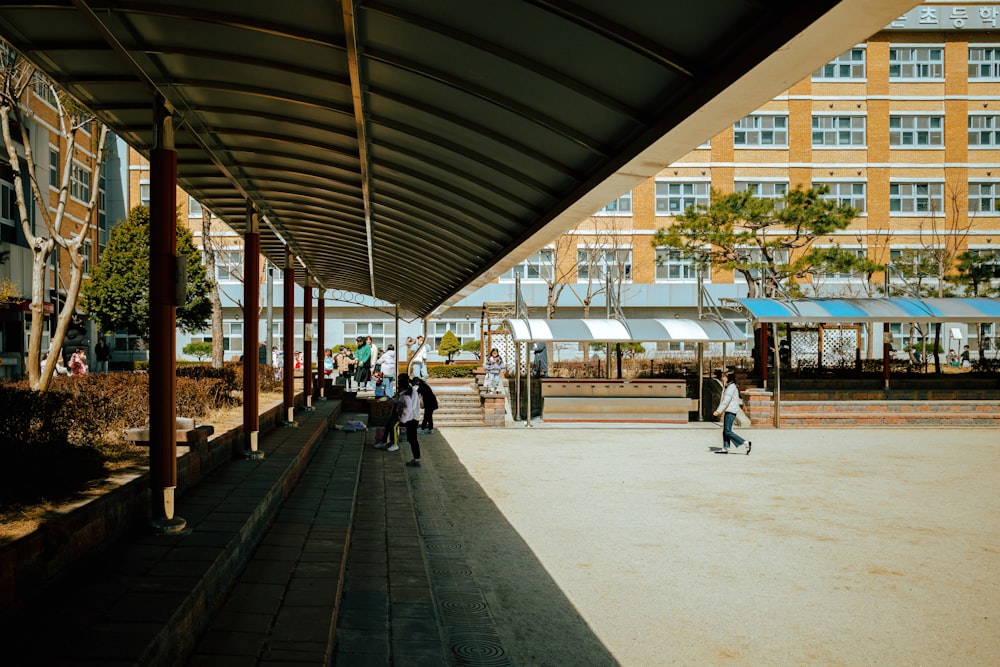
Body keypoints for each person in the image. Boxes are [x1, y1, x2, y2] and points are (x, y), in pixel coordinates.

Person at [713, 371, 751, 455]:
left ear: (728, 377)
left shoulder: (731, 387)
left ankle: (745, 442)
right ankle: (726, 447)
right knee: (726, 430)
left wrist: (718, 411)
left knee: (727, 431)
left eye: (724, 376)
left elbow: (726, 401)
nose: (722, 378)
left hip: (731, 411)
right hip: (729, 410)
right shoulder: (728, 386)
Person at [394, 373, 423, 467]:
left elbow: (411, 407)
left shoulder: (411, 392)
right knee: (411, 438)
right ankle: (416, 458)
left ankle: (417, 459)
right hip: (410, 417)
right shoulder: (407, 391)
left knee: (412, 438)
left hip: (413, 417)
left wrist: (402, 414)